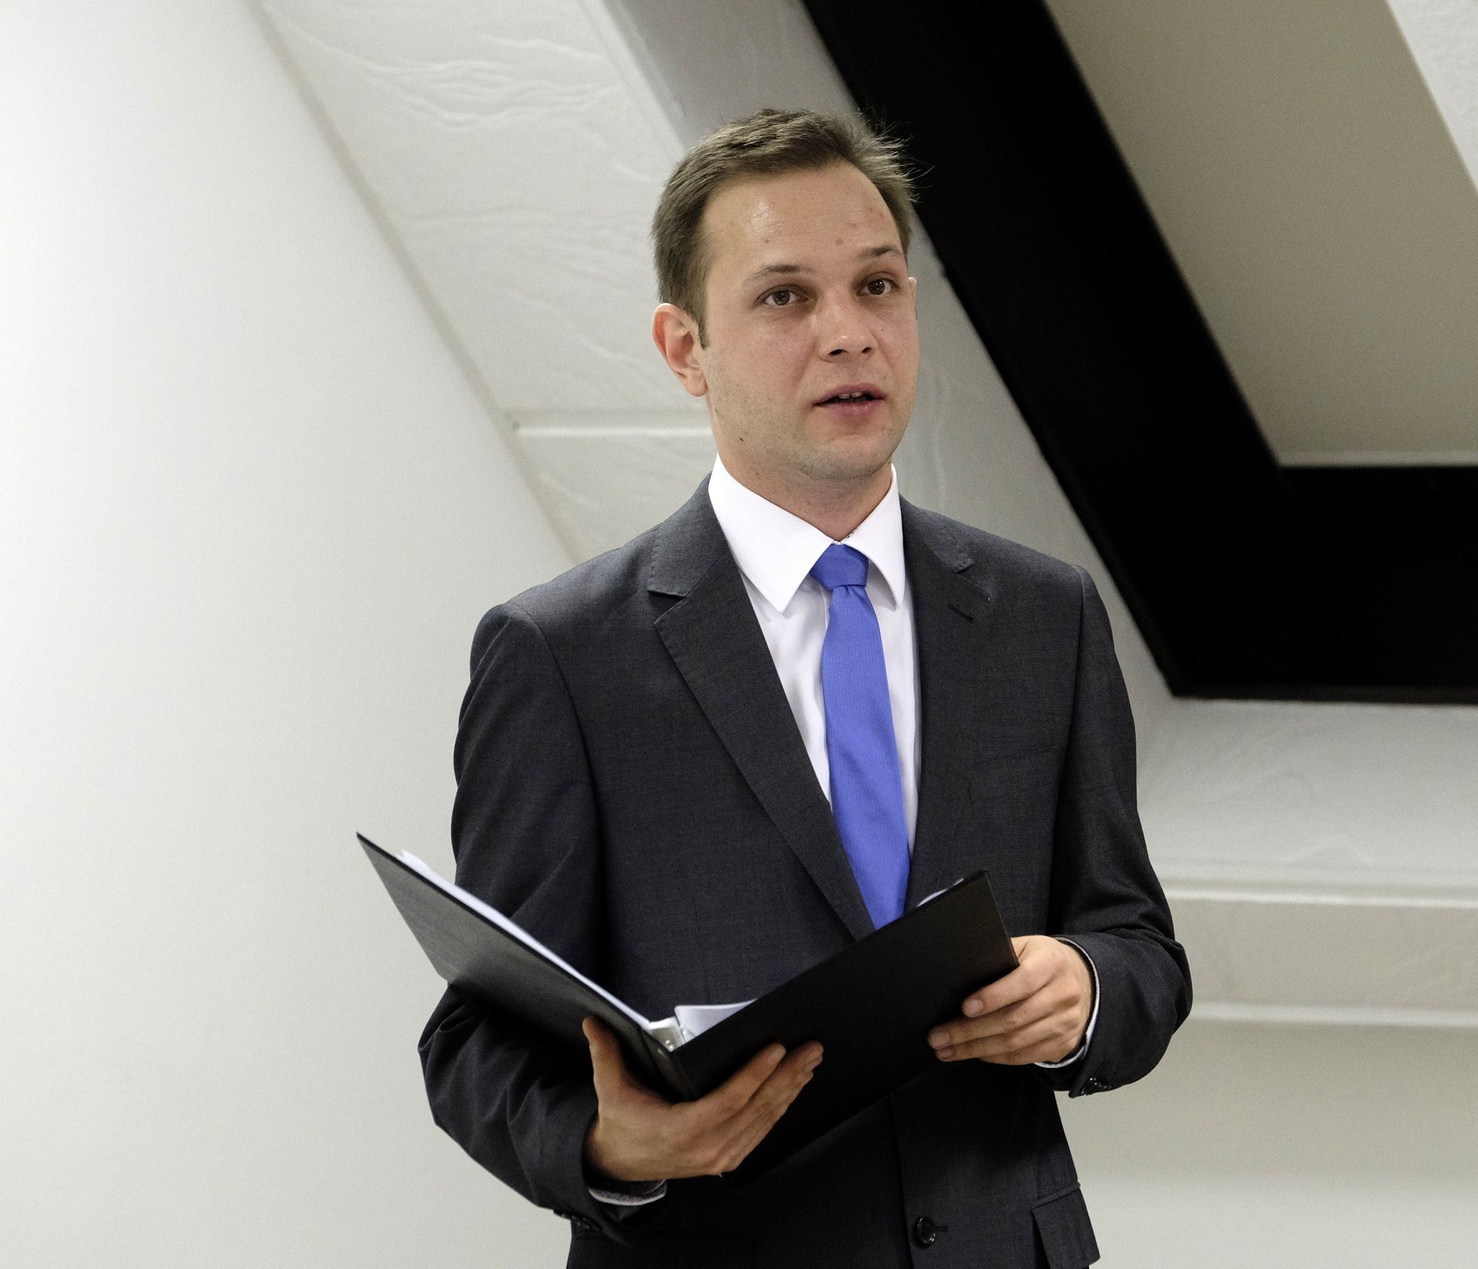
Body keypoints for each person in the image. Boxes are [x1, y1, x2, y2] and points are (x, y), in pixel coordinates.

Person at [420, 108, 1190, 1268]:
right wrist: (610, 1142)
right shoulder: (564, 654)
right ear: (685, 348)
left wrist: (1084, 990)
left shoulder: (1046, 614)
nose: (848, 334)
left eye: (877, 286)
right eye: (785, 296)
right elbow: (476, 1038)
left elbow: (1137, 943)